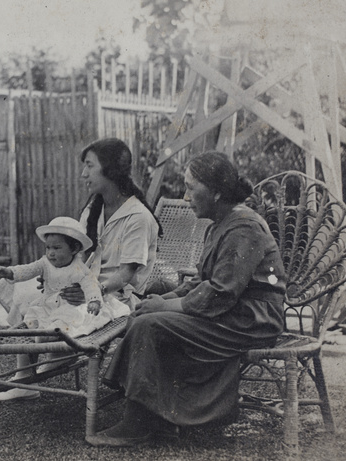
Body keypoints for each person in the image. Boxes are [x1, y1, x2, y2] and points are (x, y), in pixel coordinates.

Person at [86, 151, 287, 448]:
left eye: (192, 187)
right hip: (233, 312)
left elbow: (221, 292)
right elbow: (199, 281)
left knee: (151, 325)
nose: (185, 196)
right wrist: (165, 297)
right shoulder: (219, 224)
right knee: (147, 312)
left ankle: (138, 425)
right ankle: (161, 419)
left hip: (252, 318)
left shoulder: (243, 226)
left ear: (217, 192)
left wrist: (164, 307)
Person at [0, 138, 160, 401]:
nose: (83, 174)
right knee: (22, 292)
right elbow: (77, 255)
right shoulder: (95, 207)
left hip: (115, 296)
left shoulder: (137, 217)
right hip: (81, 284)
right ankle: (27, 376)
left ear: (110, 170)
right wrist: (55, 275)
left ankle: (51, 360)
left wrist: (92, 292)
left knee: (53, 306)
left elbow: (126, 275)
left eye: (89, 166)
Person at [0, 217, 130, 368]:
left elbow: (91, 285)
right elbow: (27, 270)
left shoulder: (79, 269)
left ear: (74, 249)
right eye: (48, 248)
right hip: (48, 305)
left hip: (70, 306)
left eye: (56, 248)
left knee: (64, 320)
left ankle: (48, 339)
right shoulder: (44, 263)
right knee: (34, 315)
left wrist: (94, 300)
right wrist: (9, 272)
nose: (50, 253)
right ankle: (32, 338)